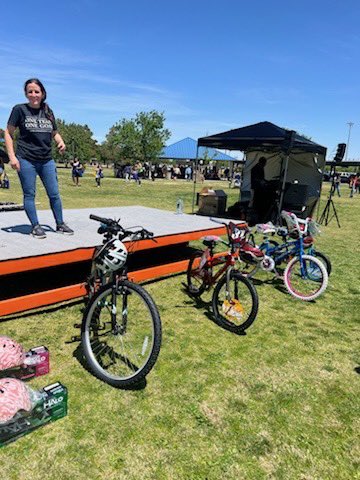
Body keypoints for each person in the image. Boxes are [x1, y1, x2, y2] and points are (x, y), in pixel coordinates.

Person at [4, 78, 73, 239]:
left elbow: (54, 132)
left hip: (47, 160)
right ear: (26, 94)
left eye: (37, 91)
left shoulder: (48, 111)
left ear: (42, 93)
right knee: (29, 194)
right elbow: (8, 132)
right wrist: (12, 156)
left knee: (54, 194)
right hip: (26, 159)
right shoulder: (19, 110)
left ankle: (60, 223)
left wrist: (60, 141)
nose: (33, 94)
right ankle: (35, 226)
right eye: (30, 91)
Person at [251, 156, 268, 222]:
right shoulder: (256, 168)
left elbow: (261, 178)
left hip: (259, 187)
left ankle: (258, 215)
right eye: (264, 163)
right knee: (256, 202)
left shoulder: (260, 168)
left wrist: (265, 181)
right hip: (257, 188)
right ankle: (255, 217)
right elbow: (256, 179)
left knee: (257, 202)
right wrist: (263, 182)